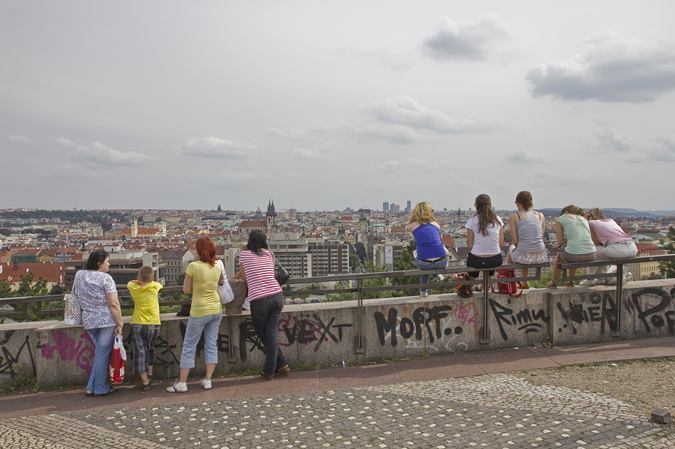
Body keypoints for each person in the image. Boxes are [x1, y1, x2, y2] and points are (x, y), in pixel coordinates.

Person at [167, 236, 223, 393]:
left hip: (199, 310)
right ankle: (208, 380)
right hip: (216, 308)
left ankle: (182, 383)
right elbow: (220, 282)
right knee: (211, 344)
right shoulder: (218, 265)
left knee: (189, 345)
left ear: (198, 250)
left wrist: (197, 286)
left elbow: (186, 290)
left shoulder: (193, 266)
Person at [238, 230, 290, 380]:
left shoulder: (244, 255)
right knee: (270, 333)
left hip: (259, 300)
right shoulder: (269, 254)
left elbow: (243, 276)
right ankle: (281, 365)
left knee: (264, 334)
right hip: (277, 296)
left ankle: (269, 371)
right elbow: (269, 273)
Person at [73, 249, 123, 397]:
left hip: (88, 320)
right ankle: (100, 388)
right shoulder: (106, 278)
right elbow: (113, 303)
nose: (109, 264)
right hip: (106, 321)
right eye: (107, 262)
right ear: (99, 263)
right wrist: (119, 323)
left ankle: (90, 387)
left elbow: (75, 293)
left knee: (100, 353)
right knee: (103, 355)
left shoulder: (79, 275)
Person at [581, 208, 637, 286]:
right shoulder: (611, 221)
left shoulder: (591, 223)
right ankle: (603, 278)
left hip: (618, 249)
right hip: (632, 248)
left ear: (591, 217)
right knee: (603, 252)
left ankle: (590, 279)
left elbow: (595, 243)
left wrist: (585, 219)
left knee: (592, 251)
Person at [127, 266, 162, 391]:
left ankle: (145, 381)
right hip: (154, 323)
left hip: (138, 324)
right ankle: (150, 371)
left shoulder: (133, 288)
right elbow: (159, 284)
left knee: (140, 352)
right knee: (151, 348)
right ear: (152, 278)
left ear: (138, 277)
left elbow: (129, 283)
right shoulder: (155, 287)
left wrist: (138, 281)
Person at [505, 191, 549, 289]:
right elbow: (541, 236)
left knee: (512, 248)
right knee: (525, 248)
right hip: (541, 255)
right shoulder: (540, 215)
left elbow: (515, 241)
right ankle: (524, 283)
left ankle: (508, 282)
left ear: (518, 203)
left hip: (525, 256)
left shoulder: (514, 217)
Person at [463, 194, 505, 294]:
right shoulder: (498, 220)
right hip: (495, 259)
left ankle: (469, 287)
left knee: (472, 267)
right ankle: (483, 286)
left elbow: (469, 244)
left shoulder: (472, 221)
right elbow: (501, 243)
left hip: (477, 259)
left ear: (476, 206)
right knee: (489, 266)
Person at [547, 205, 597, 288]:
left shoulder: (560, 219)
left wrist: (564, 242)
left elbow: (560, 242)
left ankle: (553, 282)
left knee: (559, 257)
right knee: (573, 250)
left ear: (566, 212)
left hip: (575, 255)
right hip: (592, 254)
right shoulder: (583, 219)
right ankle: (570, 281)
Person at [406, 202, 448, 296]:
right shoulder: (436, 225)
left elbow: (407, 229)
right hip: (442, 262)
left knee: (419, 257)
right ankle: (436, 273)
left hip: (424, 263)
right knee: (442, 249)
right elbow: (439, 241)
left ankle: (423, 291)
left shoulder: (412, 225)